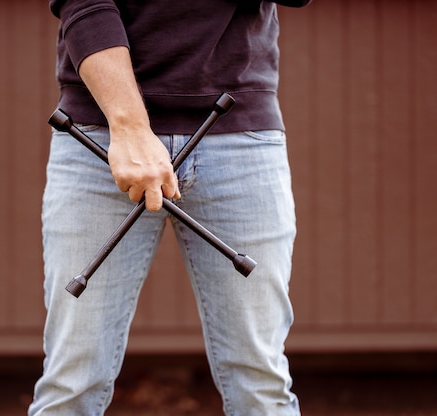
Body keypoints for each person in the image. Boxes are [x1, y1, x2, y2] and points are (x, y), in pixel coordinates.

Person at [29, 0, 312, 414]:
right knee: (72, 381)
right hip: (102, 139)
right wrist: (129, 127)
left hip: (239, 135)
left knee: (260, 381)